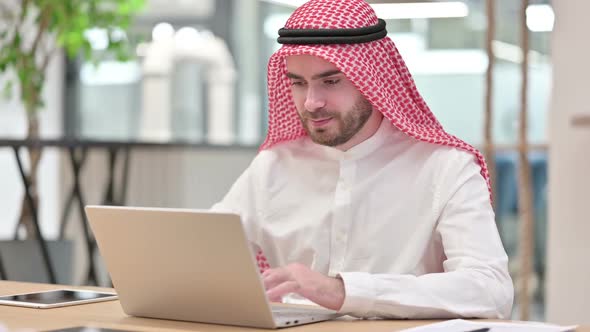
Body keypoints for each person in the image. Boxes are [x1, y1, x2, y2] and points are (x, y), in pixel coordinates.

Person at [212, 0, 513, 319]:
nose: (312, 102)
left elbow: (490, 289)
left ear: (373, 78)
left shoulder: (445, 167)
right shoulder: (273, 165)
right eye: (298, 83)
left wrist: (340, 291)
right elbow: (205, 248)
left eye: (331, 81)